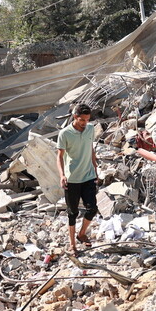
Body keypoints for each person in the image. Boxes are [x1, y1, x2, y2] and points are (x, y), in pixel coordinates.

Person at [56, 103, 100, 254]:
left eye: (87, 120)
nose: (85, 123)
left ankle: (82, 234)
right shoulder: (65, 133)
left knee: (92, 209)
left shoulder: (90, 129)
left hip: (88, 176)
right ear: (75, 117)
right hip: (72, 179)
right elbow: (60, 156)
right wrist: (62, 175)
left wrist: (95, 168)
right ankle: (72, 244)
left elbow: (91, 148)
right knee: (72, 213)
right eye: (82, 120)